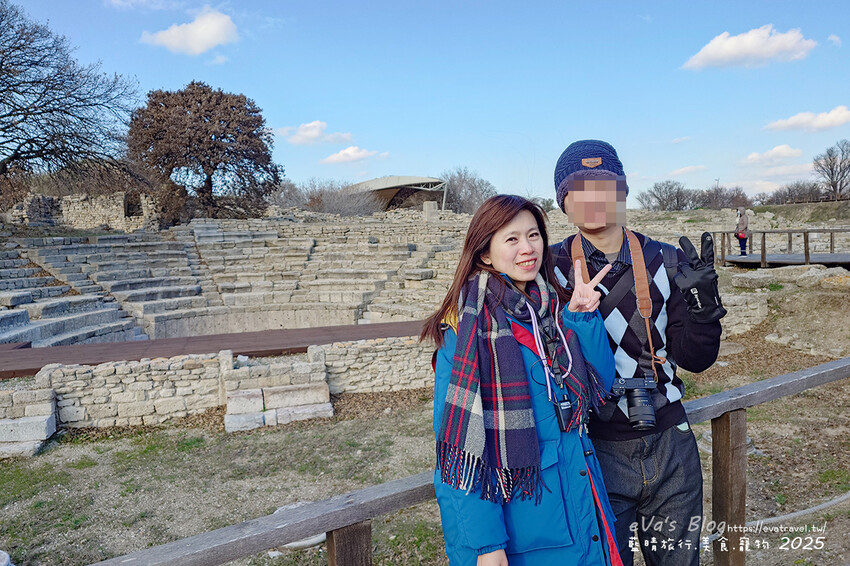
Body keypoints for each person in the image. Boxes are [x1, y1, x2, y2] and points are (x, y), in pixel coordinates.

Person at [549, 140, 726, 566]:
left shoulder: (667, 259)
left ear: (622, 193)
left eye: (604, 185)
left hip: (668, 439)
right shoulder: (546, 269)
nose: (593, 199)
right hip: (592, 444)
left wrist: (704, 315)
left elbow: (696, 358)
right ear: (564, 201)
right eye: (580, 188)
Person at [421, 194, 624, 566]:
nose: (527, 248)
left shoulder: (550, 312)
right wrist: (486, 546)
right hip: (529, 533)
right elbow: (461, 449)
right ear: (484, 253)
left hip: (583, 507)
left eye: (533, 236)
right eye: (511, 239)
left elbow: (601, 384)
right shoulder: (468, 334)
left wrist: (580, 317)